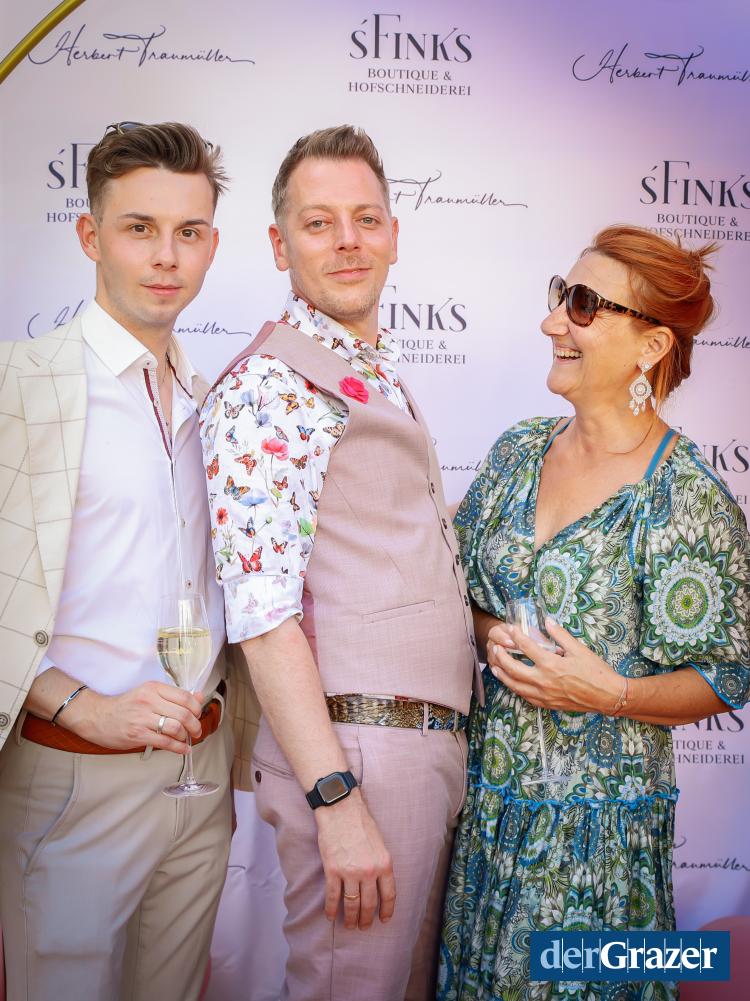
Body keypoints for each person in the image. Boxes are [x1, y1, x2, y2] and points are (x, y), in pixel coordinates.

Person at [200, 125, 482, 1001]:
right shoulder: (268, 387)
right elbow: (262, 616)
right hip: (359, 755)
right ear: (279, 244)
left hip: (419, 751)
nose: (348, 241)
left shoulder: (372, 370)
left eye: (365, 218)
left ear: (394, 233)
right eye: (319, 223)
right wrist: (335, 796)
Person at [438, 225, 750, 1001]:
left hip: (598, 847)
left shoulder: (683, 496)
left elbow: (729, 674)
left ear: (652, 346)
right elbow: (454, 591)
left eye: (582, 305)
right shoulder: (516, 453)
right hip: (488, 821)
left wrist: (610, 692)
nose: (553, 321)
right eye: (560, 295)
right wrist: (502, 635)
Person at [0, 122, 234, 1001]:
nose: (166, 255)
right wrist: (81, 707)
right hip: (71, 774)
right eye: (140, 228)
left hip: (201, 778)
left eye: (188, 231)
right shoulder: (18, 384)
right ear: (90, 235)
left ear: (212, 244)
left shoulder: (218, 404)